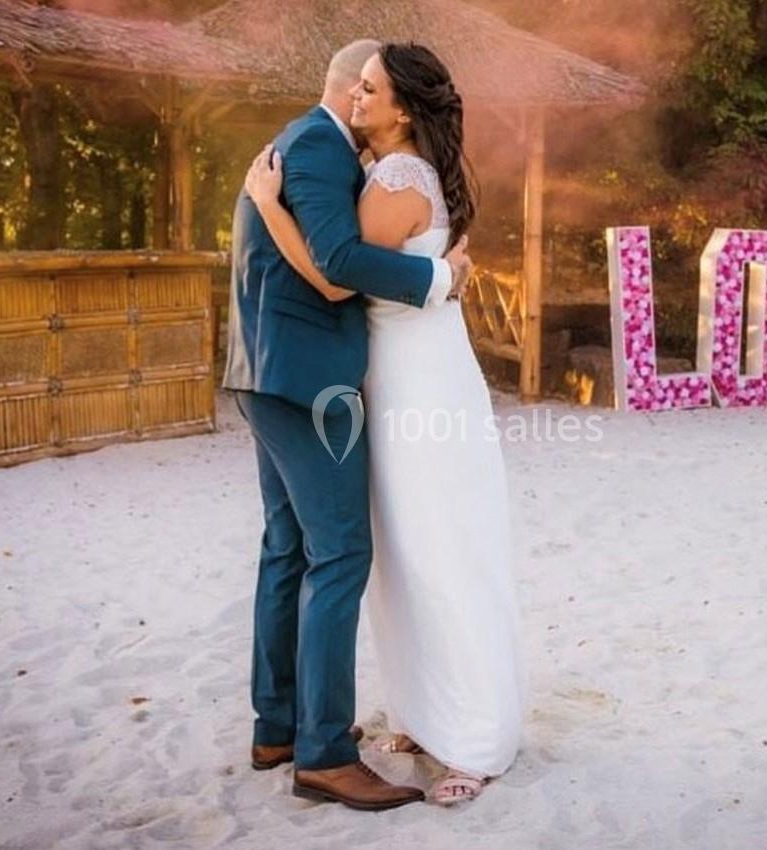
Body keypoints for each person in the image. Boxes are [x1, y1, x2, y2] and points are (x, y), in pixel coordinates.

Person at [244, 41, 524, 806]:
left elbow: (338, 275)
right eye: (358, 86)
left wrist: (268, 208)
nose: (358, 99)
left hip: (417, 387)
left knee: (436, 553)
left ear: (403, 107)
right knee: (402, 555)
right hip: (388, 383)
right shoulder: (366, 167)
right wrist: (442, 274)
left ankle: (471, 734)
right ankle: (420, 714)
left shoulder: (394, 177)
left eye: (373, 89)